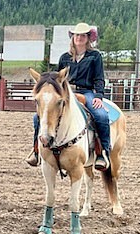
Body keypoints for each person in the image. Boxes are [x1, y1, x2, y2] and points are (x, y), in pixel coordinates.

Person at [26, 22, 111, 171]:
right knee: (37, 117)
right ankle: (36, 150)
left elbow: (99, 78)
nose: (79, 38)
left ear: (88, 38)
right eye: (77, 35)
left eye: (83, 35)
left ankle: (103, 152)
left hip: (87, 92)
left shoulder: (95, 56)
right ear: (73, 37)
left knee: (101, 115)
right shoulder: (64, 58)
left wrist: (98, 96)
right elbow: (57, 80)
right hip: (66, 93)